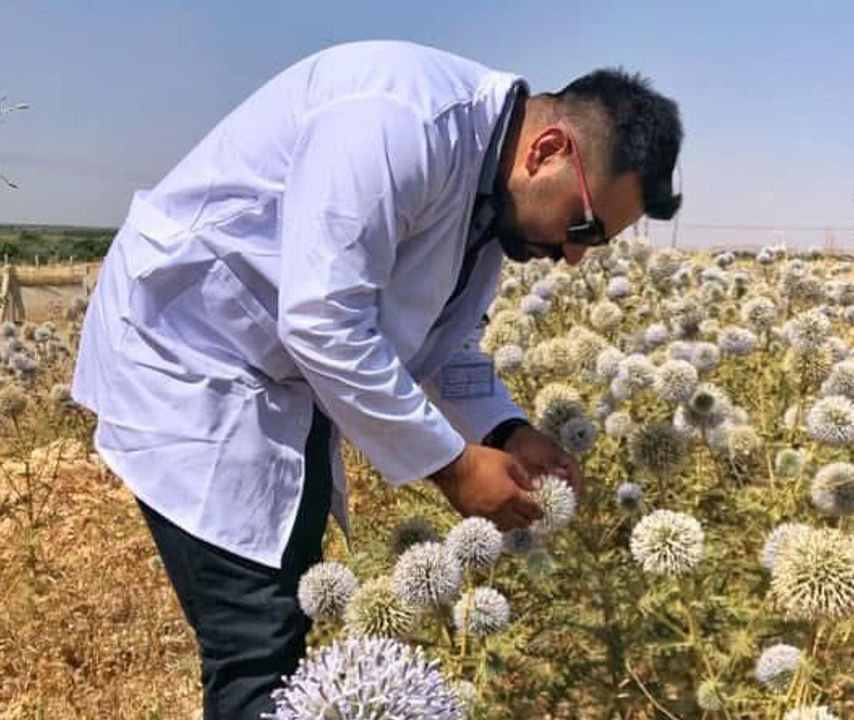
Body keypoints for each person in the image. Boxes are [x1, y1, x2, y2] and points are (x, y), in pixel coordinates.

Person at [71, 39, 682, 718]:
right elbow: (321, 319)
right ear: (548, 151)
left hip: (279, 382)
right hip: (193, 359)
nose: (572, 257)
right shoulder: (396, 119)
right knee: (256, 643)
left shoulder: (490, 203)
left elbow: (444, 342)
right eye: (584, 228)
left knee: (287, 612)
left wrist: (505, 430)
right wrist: (453, 467)